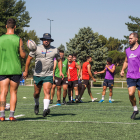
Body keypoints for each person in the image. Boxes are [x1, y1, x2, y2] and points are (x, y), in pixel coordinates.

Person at [23, 33, 63, 117]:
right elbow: (28, 59)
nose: (46, 41)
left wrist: (60, 71)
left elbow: (59, 60)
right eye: (45, 39)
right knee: (37, 93)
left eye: (48, 39)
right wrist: (26, 71)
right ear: (42, 40)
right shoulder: (36, 48)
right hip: (37, 74)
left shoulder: (55, 50)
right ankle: (36, 104)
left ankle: (45, 109)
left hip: (48, 74)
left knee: (47, 91)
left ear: (50, 41)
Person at [0, 18, 26, 121]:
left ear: (6, 26)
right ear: (15, 27)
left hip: (2, 69)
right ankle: (11, 115)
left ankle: (1, 115)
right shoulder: (18, 39)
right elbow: (23, 55)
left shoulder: (0, 39)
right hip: (15, 69)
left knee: (2, 92)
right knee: (13, 93)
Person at [120, 32, 140, 119]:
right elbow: (126, 61)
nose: (129, 40)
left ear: (136, 39)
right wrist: (122, 70)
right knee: (131, 94)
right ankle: (135, 109)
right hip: (130, 75)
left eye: (131, 38)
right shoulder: (127, 50)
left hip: (139, 76)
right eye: (129, 38)